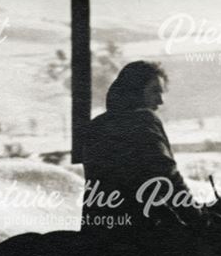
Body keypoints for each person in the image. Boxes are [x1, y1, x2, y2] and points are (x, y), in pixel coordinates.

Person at [81, 61, 205, 232]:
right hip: (144, 230)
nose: (161, 101)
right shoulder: (144, 120)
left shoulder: (96, 125)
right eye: (155, 91)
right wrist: (199, 218)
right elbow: (167, 176)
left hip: (98, 228)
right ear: (135, 91)